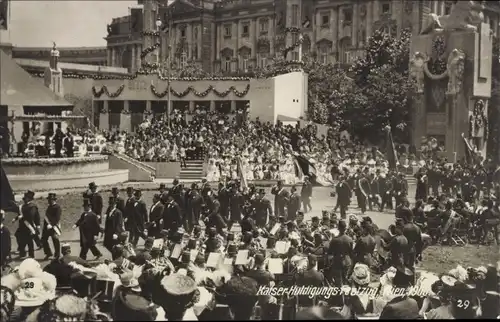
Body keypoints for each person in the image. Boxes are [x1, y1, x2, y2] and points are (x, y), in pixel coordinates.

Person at [15, 190, 41, 259]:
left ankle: (31, 255)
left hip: (29, 226)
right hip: (22, 226)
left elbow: (31, 216)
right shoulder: (23, 206)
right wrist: (16, 218)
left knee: (29, 241)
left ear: (29, 199)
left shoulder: (32, 206)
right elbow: (20, 214)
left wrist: (23, 217)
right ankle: (22, 252)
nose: (24, 199)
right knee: (19, 236)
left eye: (26, 198)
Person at [42, 193, 62, 260]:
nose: (49, 201)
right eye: (49, 199)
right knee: (43, 239)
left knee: (55, 239)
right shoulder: (49, 207)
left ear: (54, 200)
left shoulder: (57, 207)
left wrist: (51, 224)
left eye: (50, 200)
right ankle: (48, 253)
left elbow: (57, 218)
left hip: (54, 226)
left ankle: (57, 254)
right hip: (47, 226)